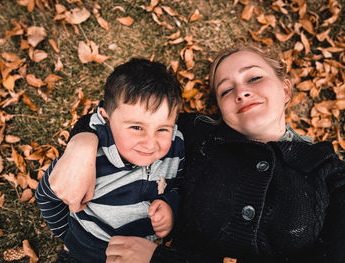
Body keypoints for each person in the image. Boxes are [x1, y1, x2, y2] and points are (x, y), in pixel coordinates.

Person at [46, 46, 345, 263]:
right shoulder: (200, 135)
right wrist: (82, 144)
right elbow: (126, 111)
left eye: (254, 78)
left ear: (286, 89)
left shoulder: (332, 176)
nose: (241, 92)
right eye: (226, 90)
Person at [35, 58, 185, 263]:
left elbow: (177, 185)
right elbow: (46, 196)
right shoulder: (88, 162)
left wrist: (169, 206)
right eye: (136, 128)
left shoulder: (175, 147)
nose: (151, 144)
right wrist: (69, 237)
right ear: (106, 119)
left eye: (162, 129)